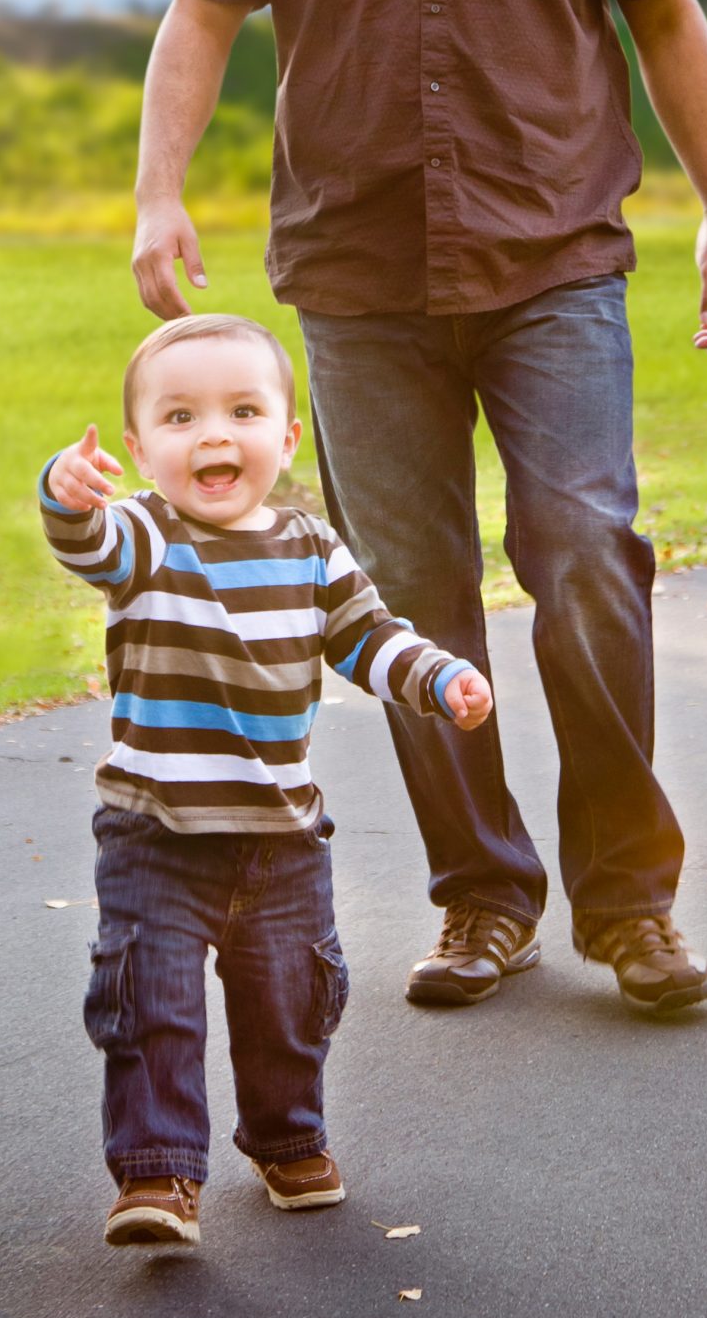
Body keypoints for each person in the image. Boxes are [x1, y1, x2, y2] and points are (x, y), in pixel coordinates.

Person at [131, 0, 707, 1018]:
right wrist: (159, 194)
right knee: (410, 603)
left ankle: (632, 905)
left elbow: (665, 19)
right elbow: (202, 16)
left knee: (585, 557)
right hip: (357, 281)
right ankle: (482, 897)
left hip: (554, 258)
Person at [38, 314, 492, 1247]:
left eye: (242, 411)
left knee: (289, 1002)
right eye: (180, 417)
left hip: (280, 837)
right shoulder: (148, 537)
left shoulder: (311, 548)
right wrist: (67, 495)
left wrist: (439, 677)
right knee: (149, 1005)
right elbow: (89, 545)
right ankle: (158, 1175)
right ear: (139, 447)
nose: (213, 434)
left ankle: (287, 1137)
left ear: (286, 438)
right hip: (155, 833)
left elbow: (369, 638)